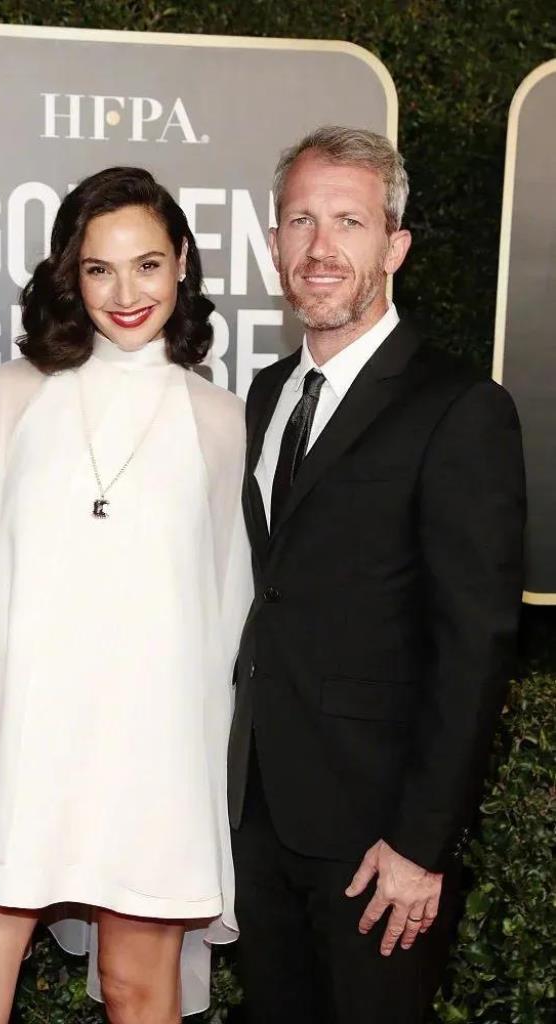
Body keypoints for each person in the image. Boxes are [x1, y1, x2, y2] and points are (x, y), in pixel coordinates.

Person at [0, 166, 252, 1024]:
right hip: (17, 749)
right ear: (70, 277)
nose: (126, 295)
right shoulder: (16, 396)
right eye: (99, 269)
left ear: (183, 264)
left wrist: (199, 792)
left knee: (138, 993)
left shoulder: (220, 420)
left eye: (148, 265)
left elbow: (225, 622)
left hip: (152, 760)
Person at [228, 126, 526, 1024]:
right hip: (258, 815)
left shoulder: (460, 408)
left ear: (394, 247)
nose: (320, 248)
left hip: (377, 842)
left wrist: (421, 845)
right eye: (300, 221)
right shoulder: (265, 394)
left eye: (349, 222)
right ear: (273, 241)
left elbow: (474, 645)